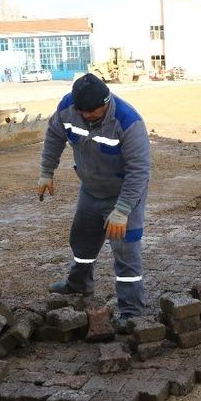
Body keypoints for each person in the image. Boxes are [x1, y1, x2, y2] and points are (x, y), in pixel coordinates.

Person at [37, 73, 150, 329]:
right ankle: (78, 285)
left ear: (106, 102)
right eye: (83, 111)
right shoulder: (69, 108)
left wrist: (122, 211)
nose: (87, 116)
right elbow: (54, 135)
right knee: (82, 240)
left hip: (123, 195)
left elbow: (139, 170)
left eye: (93, 112)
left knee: (125, 251)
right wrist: (46, 172)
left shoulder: (128, 122)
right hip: (90, 190)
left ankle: (131, 311)